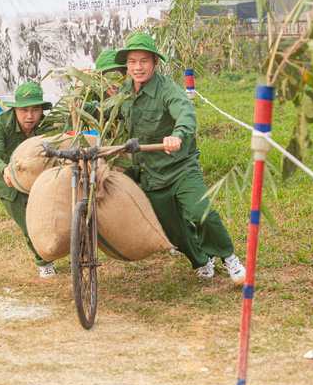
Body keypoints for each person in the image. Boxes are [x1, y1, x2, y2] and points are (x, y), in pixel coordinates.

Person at [97, 32, 246, 283]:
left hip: (180, 168)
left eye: (144, 60)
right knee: (172, 230)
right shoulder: (125, 91)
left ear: (155, 62)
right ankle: (201, 260)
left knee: (201, 212)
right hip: (151, 174)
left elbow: (186, 115)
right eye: (132, 61)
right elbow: (109, 109)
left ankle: (228, 257)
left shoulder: (168, 90)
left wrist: (176, 135)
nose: (138, 67)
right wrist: (83, 108)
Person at [0, 82, 56, 278]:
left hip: (37, 178)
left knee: (49, 218)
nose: (30, 116)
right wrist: (4, 169)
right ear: (15, 109)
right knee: (29, 223)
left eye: (35, 109)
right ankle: (45, 262)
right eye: (24, 110)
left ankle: (57, 251)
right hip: (7, 181)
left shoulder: (47, 125)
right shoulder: (0, 124)